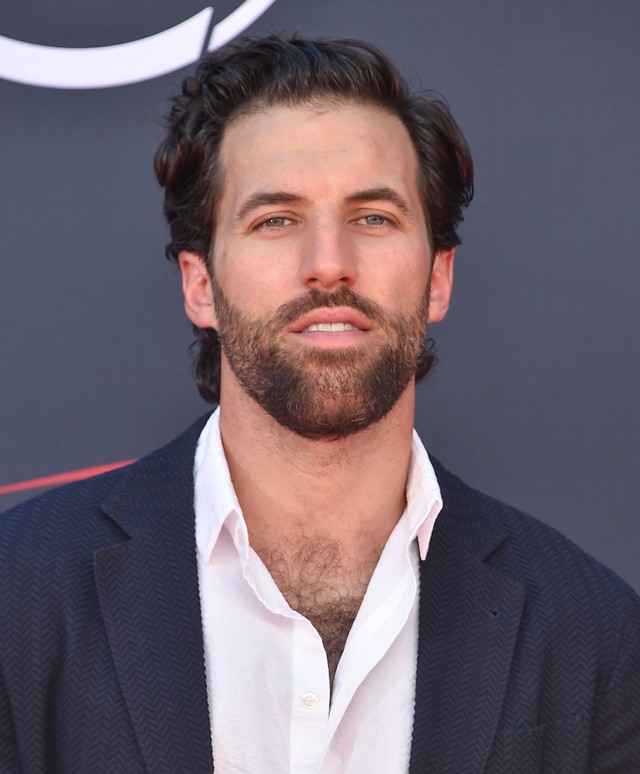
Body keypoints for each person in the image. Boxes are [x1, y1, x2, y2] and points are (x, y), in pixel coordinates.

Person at [1, 35, 639, 774]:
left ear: (438, 279)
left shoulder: (591, 634)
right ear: (200, 286)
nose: (329, 264)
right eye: (276, 219)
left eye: (373, 217)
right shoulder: (18, 598)